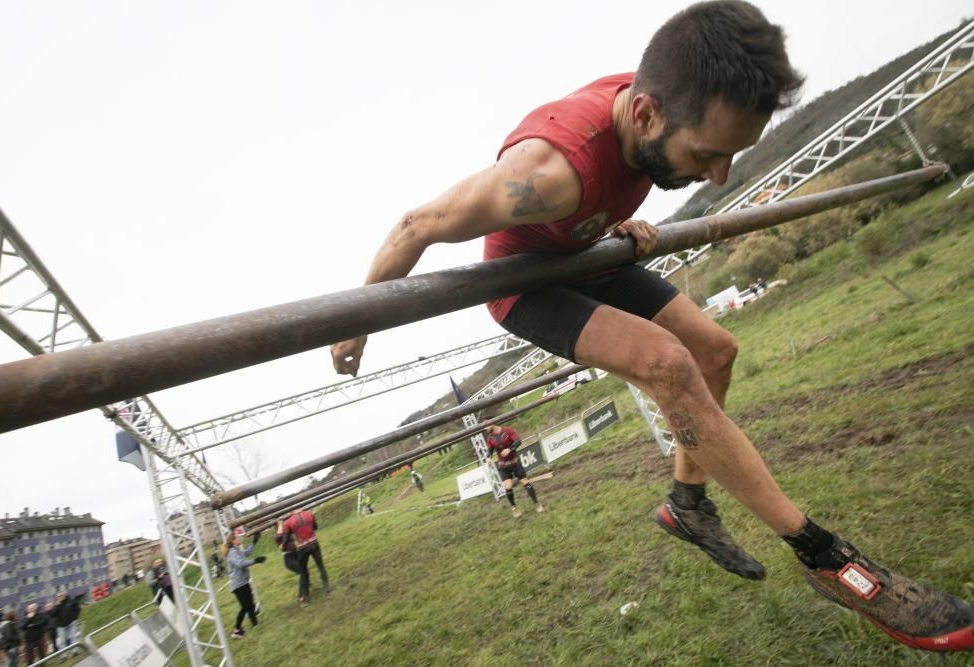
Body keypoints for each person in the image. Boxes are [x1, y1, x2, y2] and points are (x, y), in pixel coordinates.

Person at [329, 0, 974, 652]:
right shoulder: (546, 175)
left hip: (585, 253)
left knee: (715, 349)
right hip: (526, 284)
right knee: (668, 362)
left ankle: (687, 504)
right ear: (645, 116)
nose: (718, 174)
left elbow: (627, 168)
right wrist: (355, 323)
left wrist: (606, 221)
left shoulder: (661, 98)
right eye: (708, 155)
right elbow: (418, 225)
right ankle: (823, 555)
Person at [483, 420, 544, 517]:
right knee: (508, 486)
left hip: (515, 462)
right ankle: (514, 508)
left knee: (525, 482)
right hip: (503, 466)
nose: (484, 428)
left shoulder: (507, 430)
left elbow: (518, 441)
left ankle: (537, 504)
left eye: (486, 425)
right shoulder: (490, 438)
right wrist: (487, 458)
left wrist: (509, 449)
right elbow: (489, 451)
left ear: (493, 423)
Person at [280, 508, 331, 607]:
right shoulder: (309, 514)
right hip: (314, 543)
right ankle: (327, 587)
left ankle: (305, 597)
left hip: (302, 547)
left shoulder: (289, 522)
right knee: (320, 566)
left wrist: (283, 546)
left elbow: (286, 538)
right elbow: (315, 527)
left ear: (291, 511)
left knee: (303, 572)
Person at [225, 530, 265, 639]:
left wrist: (254, 542)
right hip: (238, 585)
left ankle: (255, 624)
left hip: (243, 582)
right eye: (237, 538)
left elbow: (246, 552)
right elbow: (241, 563)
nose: (239, 539)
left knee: (250, 604)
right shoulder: (232, 552)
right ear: (233, 541)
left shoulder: (236, 550)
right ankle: (237, 630)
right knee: (245, 606)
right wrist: (255, 561)